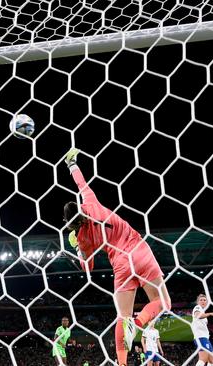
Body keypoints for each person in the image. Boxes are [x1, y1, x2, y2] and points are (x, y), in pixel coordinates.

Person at [63, 148, 171, 366]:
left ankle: (121, 363)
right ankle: (138, 322)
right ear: (80, 208)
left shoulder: (83, 239)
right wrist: (71, 163)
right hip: (139, 251)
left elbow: (88, 267)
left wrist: (78, 250)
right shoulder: (91, 204)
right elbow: (81, 184)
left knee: (122, 317)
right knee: (164, 303)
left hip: (120, 265)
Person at [191, 294, 213, 366]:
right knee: (203, 359)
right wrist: (211, 314)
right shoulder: (197, 307)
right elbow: (198, 316)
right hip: (200, 337)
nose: (203, 301)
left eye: (204, 300)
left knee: (212, 360)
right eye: (201, 300)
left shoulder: (202, 311)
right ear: (197, 302)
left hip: (205, 337)